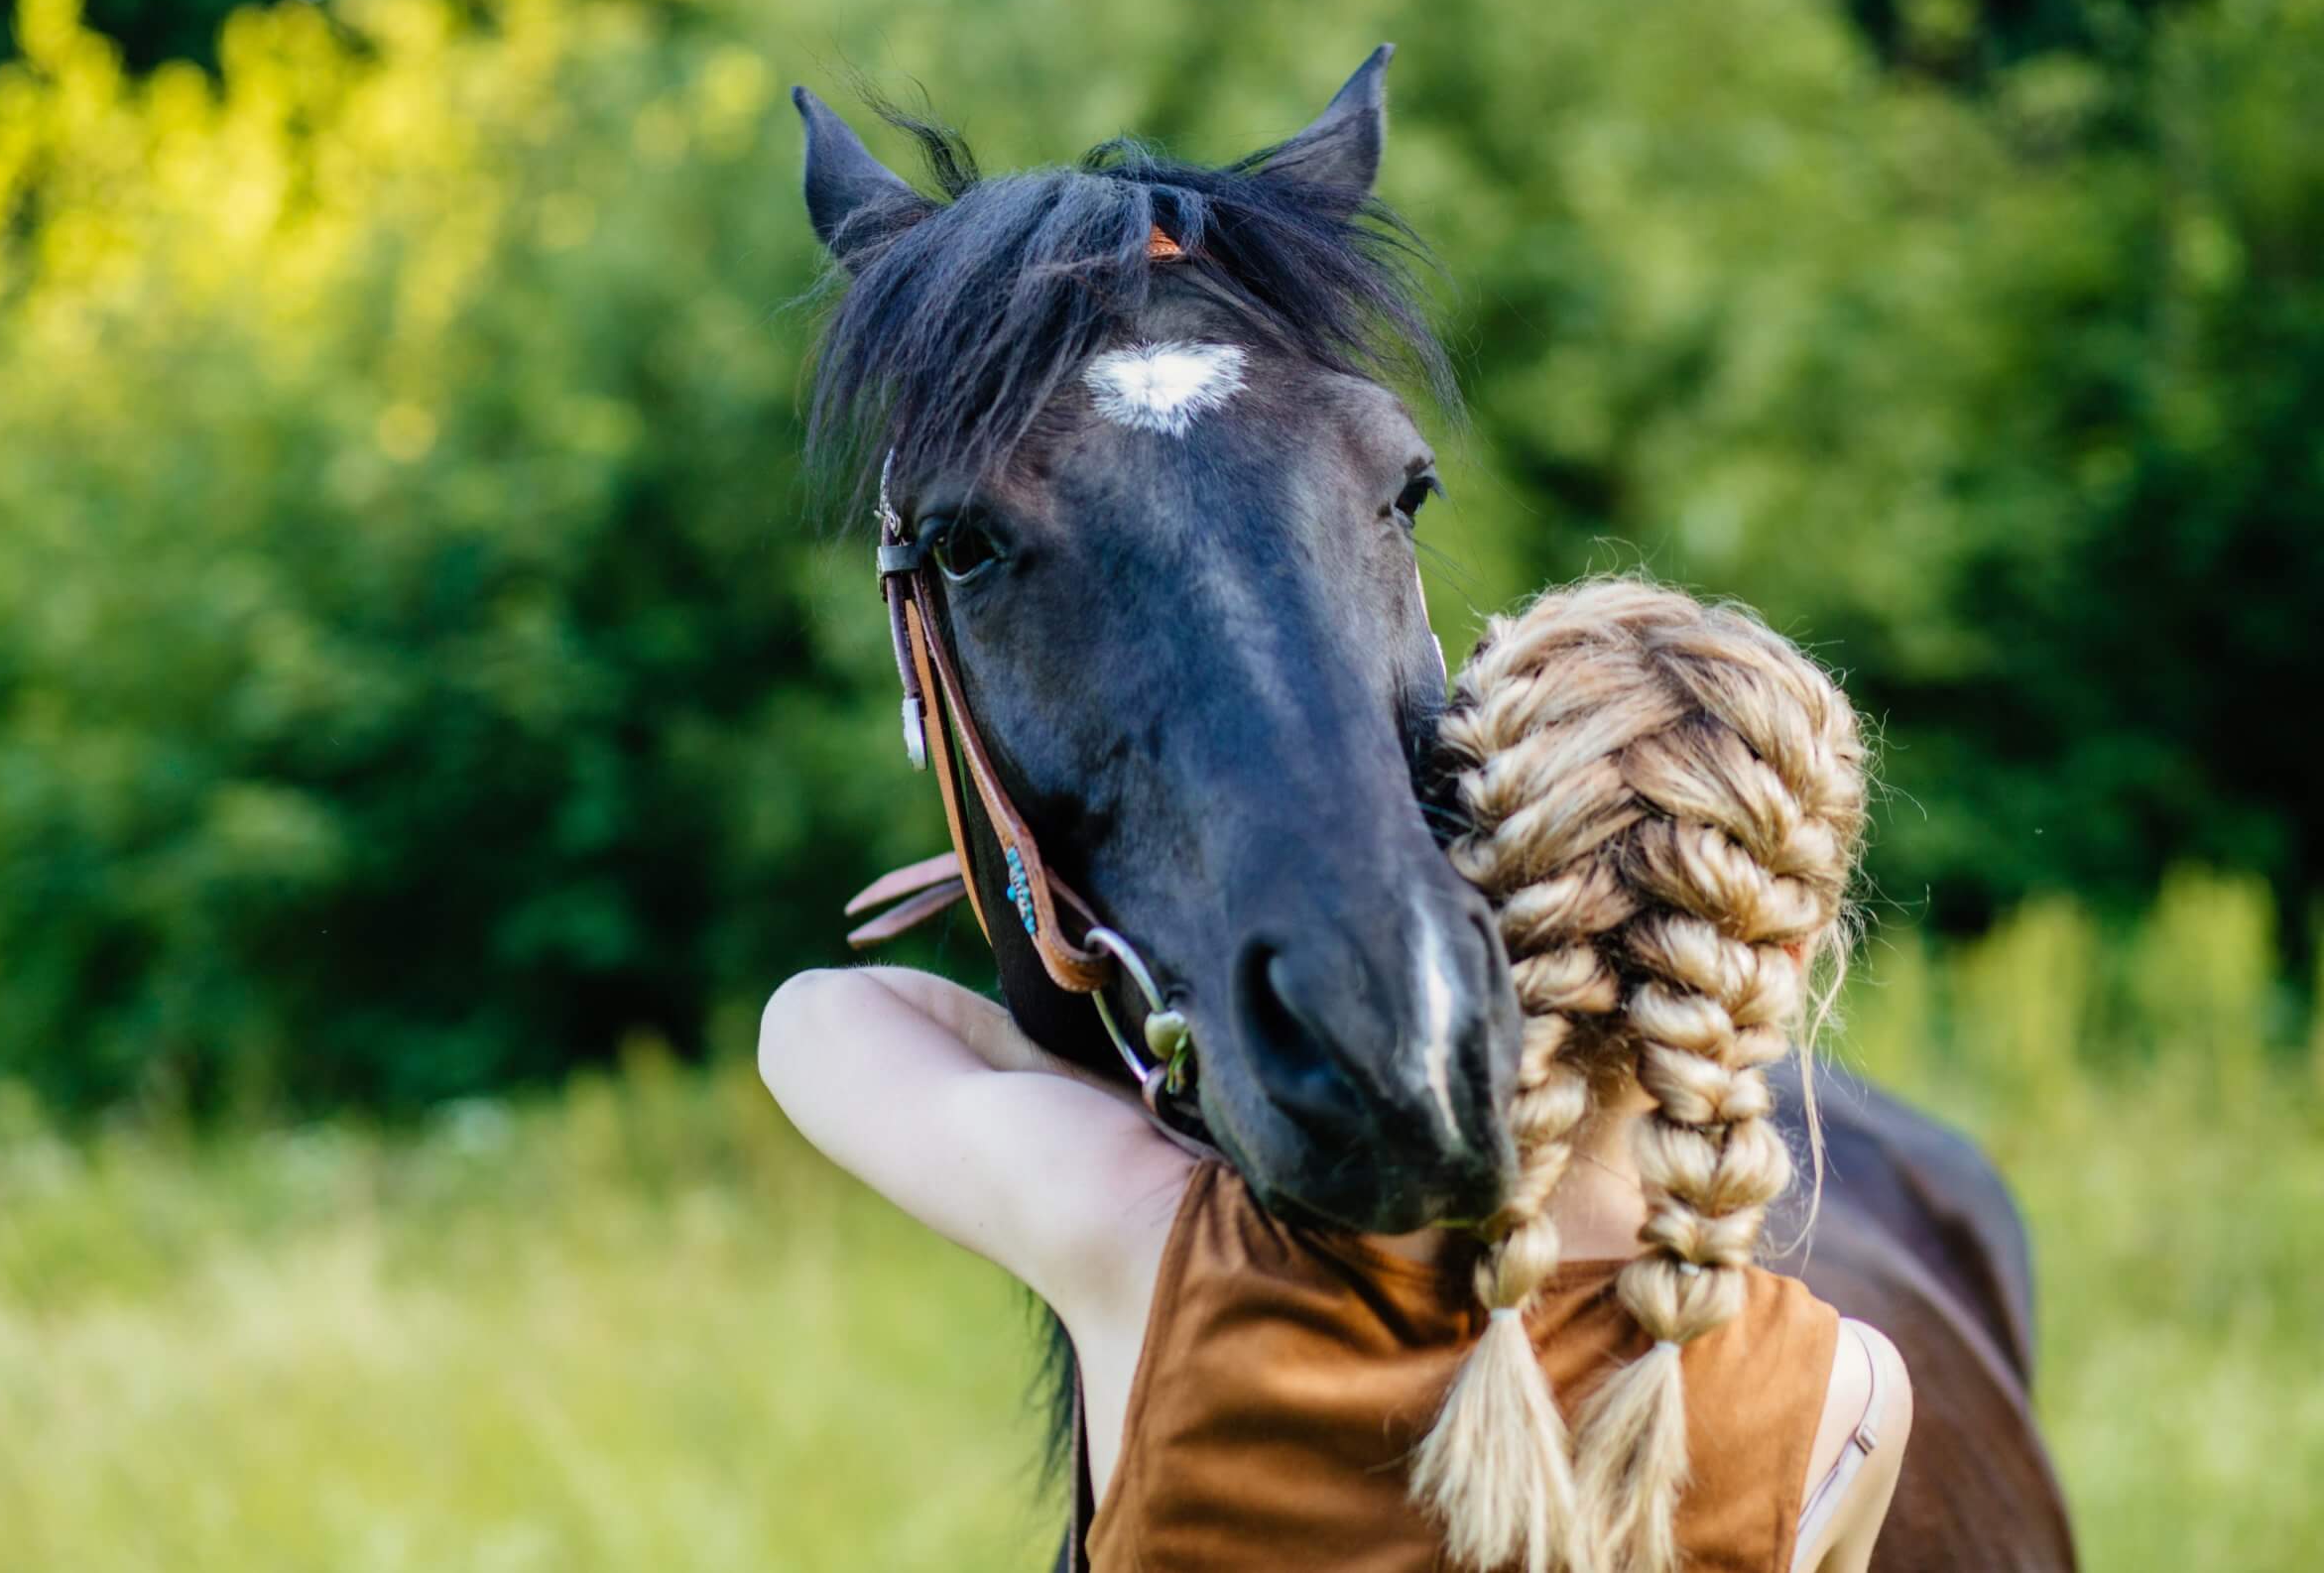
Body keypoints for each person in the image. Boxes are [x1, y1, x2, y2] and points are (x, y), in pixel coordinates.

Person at [758, 579, 1912, 1572]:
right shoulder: (1845, 1396)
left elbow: (820, 1017)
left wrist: (1145, 1094)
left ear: (1444, 886)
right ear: (1785, 956)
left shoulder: (1147, 1242)